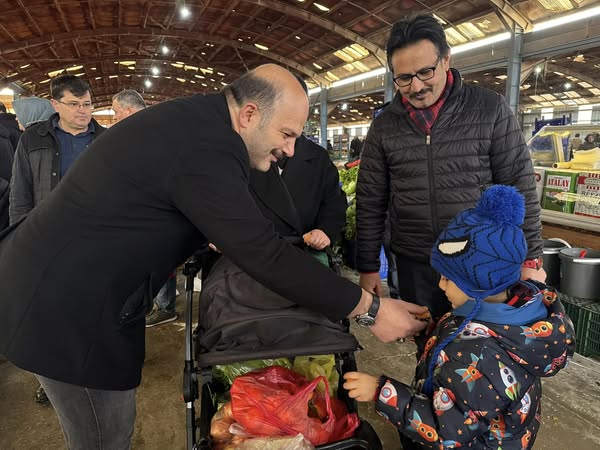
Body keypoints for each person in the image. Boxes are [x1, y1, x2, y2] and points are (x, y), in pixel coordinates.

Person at [0, 64, 428, 449]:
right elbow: (264, 254)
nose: (291, 151)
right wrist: (370, 310)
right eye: (287, 134)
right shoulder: (206, 146)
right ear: (249, 115)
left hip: (78, 292)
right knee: (103, 436)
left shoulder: (198, 125)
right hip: (64, 311)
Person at [356, 14, 545, 349]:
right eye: (403, 78)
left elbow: (519, 188)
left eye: (425, 72)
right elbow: (371, 200)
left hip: (480, 264)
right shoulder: (384, 127)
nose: (416, 86)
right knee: (428, 346)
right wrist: (368, 267)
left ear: (446, 60)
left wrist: (529, 260)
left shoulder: (489, 109)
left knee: (485, 348)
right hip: (417, 262)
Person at [344, 185, 575, 450]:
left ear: (479, 285)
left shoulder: (485, 358)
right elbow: (462, 349)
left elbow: (447, 429)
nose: (441, 286)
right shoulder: (500, 315)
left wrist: (381, 392)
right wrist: (429, 331)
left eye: (447, 279)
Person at [8, 75, 104, 405]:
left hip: (94, 243)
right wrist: (22, 239)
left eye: (88, 104)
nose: (83, 111)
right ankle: (53, 380)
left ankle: (90, 370)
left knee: (91, 309)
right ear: (55, 104)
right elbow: (20, 193)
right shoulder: (34, 138)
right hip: (47, 241)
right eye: (75, 104)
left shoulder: (105, 139)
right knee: (50, 313)